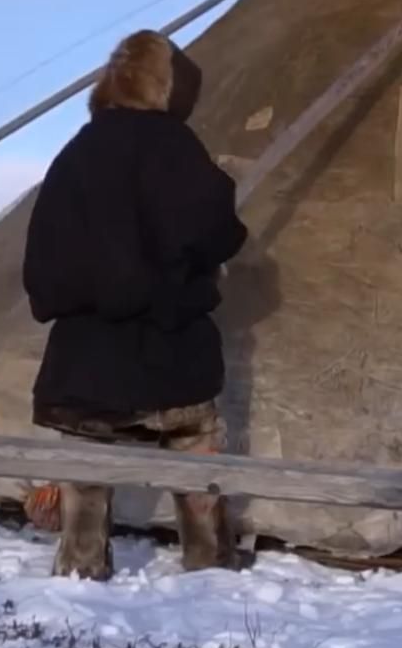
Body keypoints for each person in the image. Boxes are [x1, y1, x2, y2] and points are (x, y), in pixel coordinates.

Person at [23, 29, 248, 579]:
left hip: (87, 358)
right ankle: (208, 563)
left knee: (86, 466)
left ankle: (80, 567)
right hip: (168, 352)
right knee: (195, 450)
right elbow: (218, 230)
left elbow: (43, 266)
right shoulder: (173, 148)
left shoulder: (76, 153)